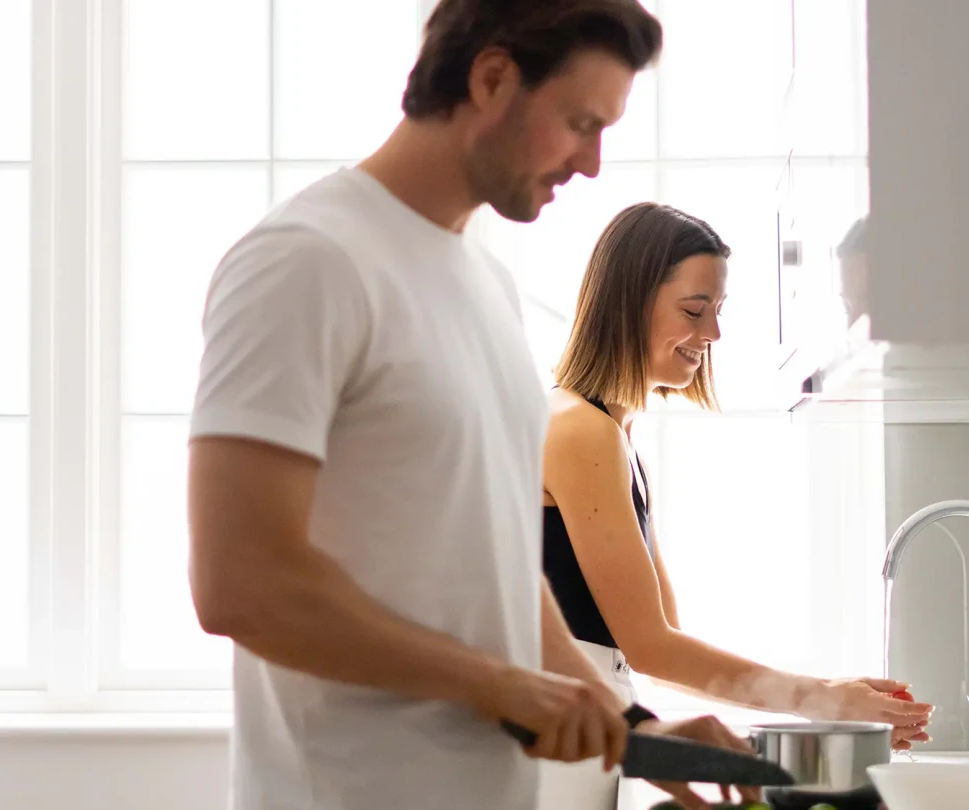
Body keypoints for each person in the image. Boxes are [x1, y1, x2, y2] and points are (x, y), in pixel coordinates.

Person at [185, 3, 751, 810]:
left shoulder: (486, 286)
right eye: (579, 122)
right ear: (491, 78)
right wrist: (499, 684)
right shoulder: (306, 261)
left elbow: (497, 570)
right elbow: (239, 582)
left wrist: (630, 726)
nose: (591, 163)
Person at [540, 202, 934, 773]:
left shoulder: (615, 435)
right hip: (557, 744)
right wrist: (823, 701)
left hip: (586, 734)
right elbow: (650, 646)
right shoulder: (580, 430)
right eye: (695, 310)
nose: (714, 333)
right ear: (628, 304)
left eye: (717, 310)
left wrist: (831, 692)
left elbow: (663, 640)